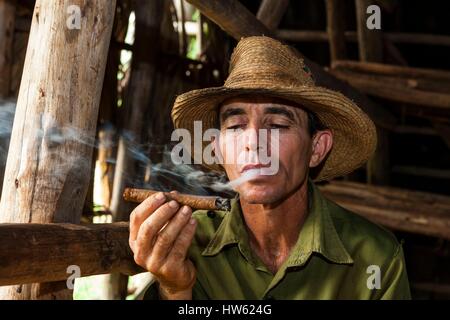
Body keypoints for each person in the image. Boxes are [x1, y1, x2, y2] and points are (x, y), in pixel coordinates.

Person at [128, 36, 411, 299]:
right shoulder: (186, 244)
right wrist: (175, 290)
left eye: (277, 125)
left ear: (316, 148)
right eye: (236, 126)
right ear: (217, 147)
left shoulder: (377, 259)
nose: (253, 142)